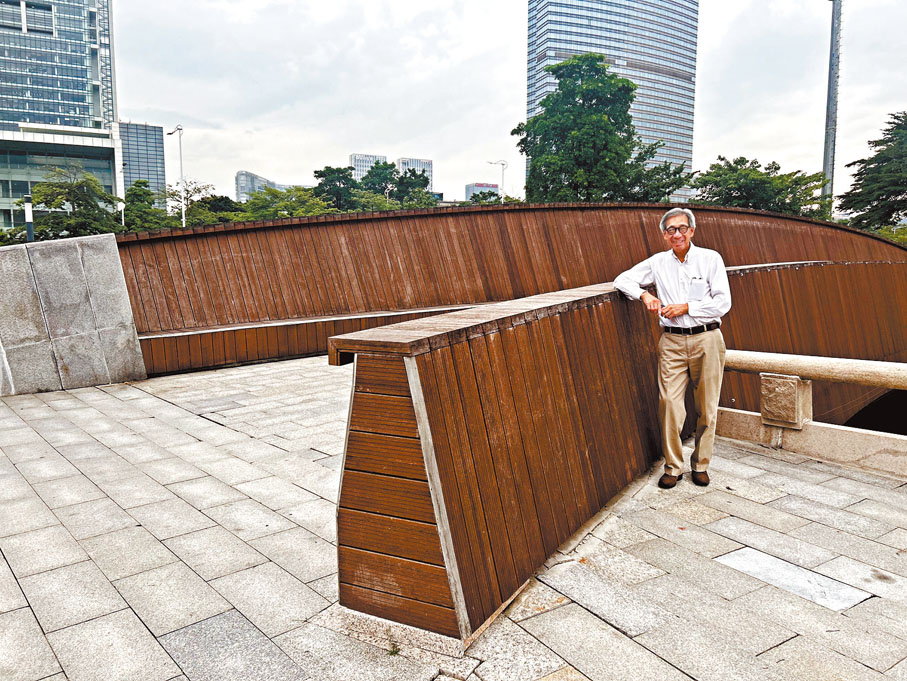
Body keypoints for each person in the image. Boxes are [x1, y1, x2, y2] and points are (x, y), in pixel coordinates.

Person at [613, 208, 732, 489]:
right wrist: (644, 294)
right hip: (672, 341)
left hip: (707, 338)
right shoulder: (657, 262)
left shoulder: (710, 258)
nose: (676, 234)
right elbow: (621, 279)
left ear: (691, 231)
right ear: (664, 235)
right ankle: (673, 467)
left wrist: (688, 307)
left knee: (707, 407)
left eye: (681, 228)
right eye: (670, 230)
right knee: (668, 404)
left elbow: (723, 302)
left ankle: (701, 464)